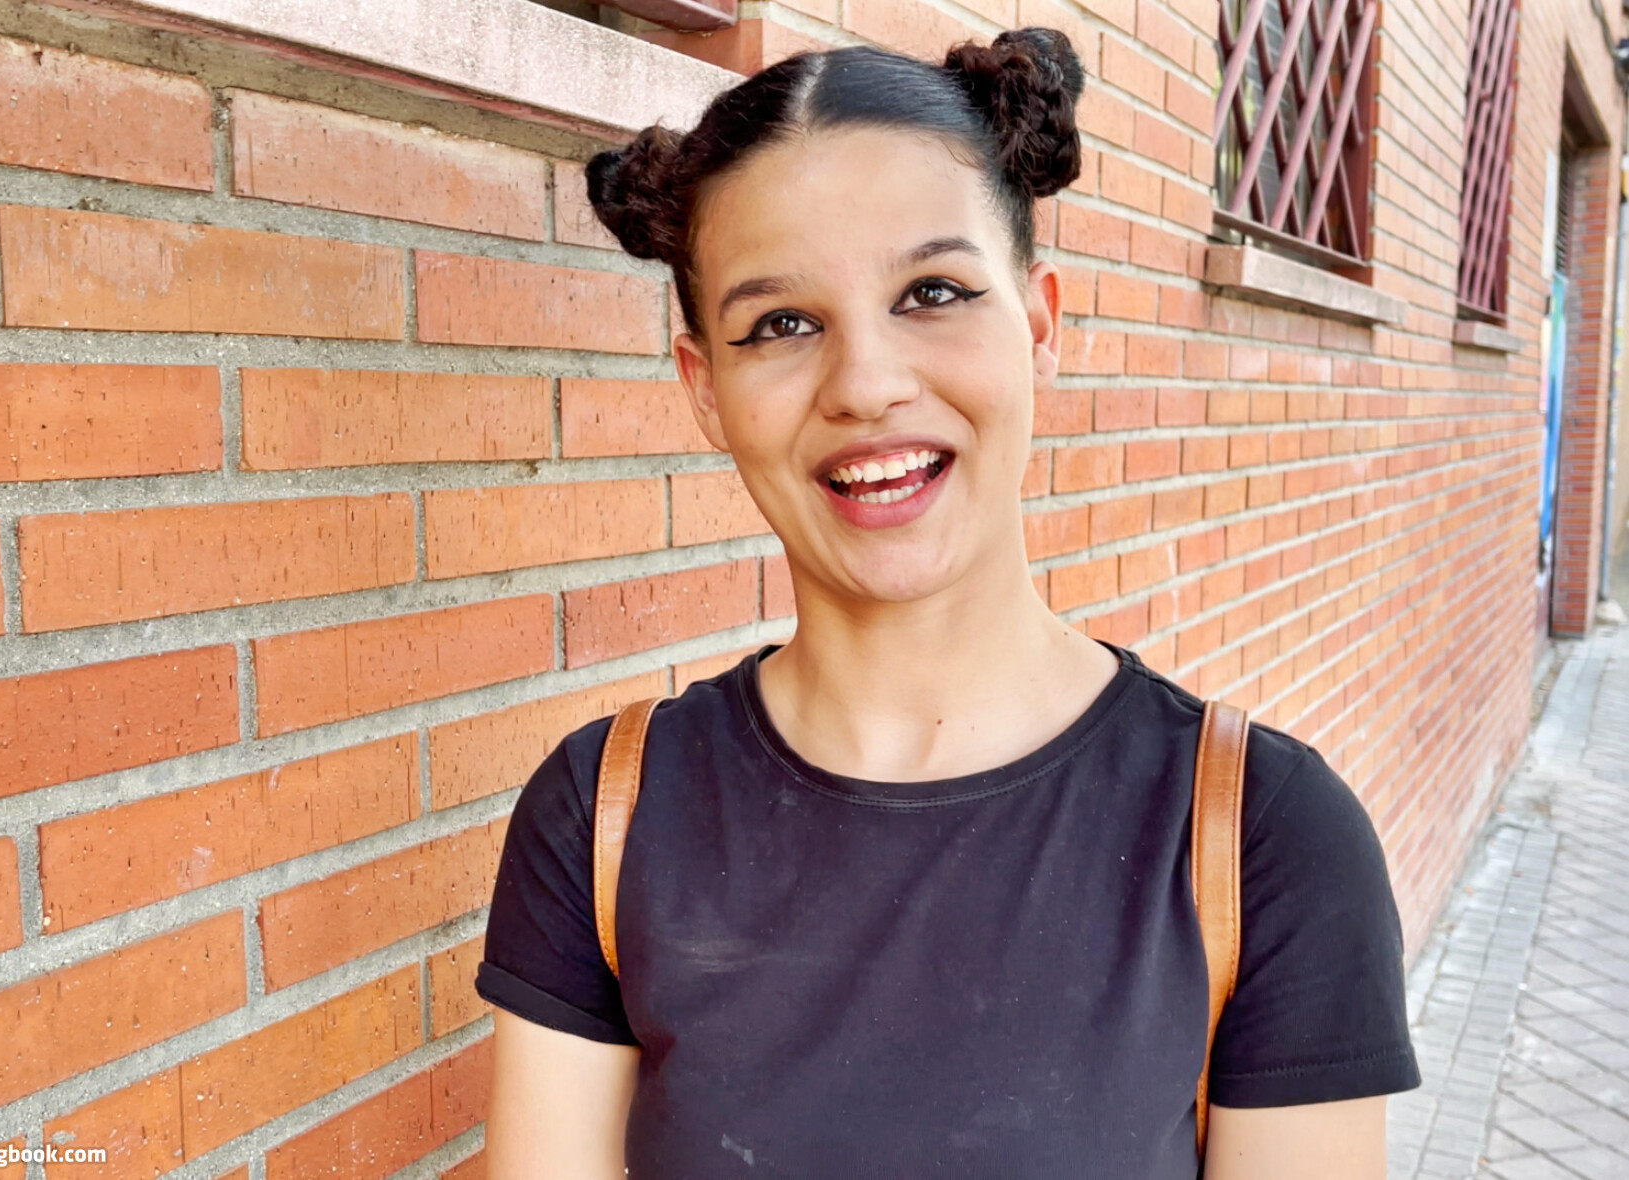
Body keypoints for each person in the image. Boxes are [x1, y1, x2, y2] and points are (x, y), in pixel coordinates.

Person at [474, 28, 1419, 1179]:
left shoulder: (1259, 837)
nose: (866, 384)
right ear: (705, 389)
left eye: (933, 292)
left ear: (1040, 326)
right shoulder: (606, 819)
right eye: (781, 324)